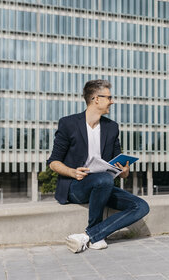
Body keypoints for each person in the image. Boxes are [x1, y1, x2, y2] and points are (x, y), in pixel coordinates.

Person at [47, 79, 149, 253]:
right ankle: (95, 234)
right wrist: (72, 172)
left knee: (141, 206)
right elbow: (53, 162)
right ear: (95, 99)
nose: (112, 101)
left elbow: (118, 164)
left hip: (104, 186)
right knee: (102, 179)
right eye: (109, 97)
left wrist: (124, 171)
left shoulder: (112, 128)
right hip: (76, 185)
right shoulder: (69, 124)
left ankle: (90, 236)